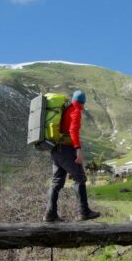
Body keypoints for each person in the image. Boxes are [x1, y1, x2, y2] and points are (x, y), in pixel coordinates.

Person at [44, 90, 101, 222]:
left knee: (56, 182)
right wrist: (78, 150)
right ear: (83, 102)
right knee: (80, 178)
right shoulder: (76, 111)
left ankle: (50, 214)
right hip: (66, 150)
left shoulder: (65, 109)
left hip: (55, 150)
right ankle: (84, 212)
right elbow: (73, 131)